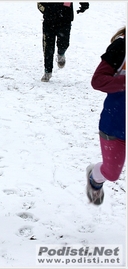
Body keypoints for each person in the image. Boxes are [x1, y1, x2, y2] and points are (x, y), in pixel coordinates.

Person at [86, 27, 126, 205]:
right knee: (112, 174)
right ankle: (94, 178)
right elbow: (98, 80)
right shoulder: (122, 46)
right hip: (116, 123)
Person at [37, 2, 89, 82]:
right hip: (49, 20)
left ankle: (61, 53)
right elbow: (39, 4)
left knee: (64, 44)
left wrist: (84, 4)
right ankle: (48, 71)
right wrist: (47, 10)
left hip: (65, 18)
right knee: (48, 47)